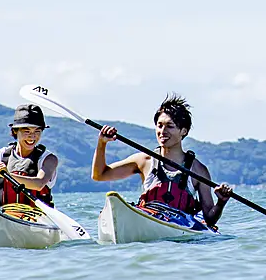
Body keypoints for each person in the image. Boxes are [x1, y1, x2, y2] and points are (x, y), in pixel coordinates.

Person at [92, 94, 232, 227]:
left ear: (184, 131)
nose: (162, 131)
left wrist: (221, 202)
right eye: (159, 125)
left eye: (170, 126)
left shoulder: (198, 170)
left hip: (181, 227)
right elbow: (100, 175)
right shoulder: (144, 161)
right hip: (148, 220)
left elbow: (210, 219)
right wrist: (102, 143)